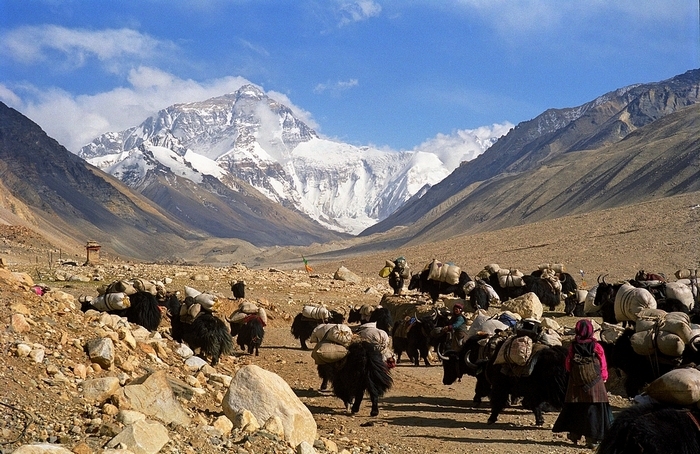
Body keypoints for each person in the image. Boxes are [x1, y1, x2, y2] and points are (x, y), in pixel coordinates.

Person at [553, 318, 613, 449]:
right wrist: (604, 377)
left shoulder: (573, 346)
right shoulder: (597, 346)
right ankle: (592, 439)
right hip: (595, 382)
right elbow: (603, 363)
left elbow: (568, 364)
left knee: (576, 408)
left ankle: (574, 434)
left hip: (576, 381)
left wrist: (575, 374)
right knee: (593, 410)